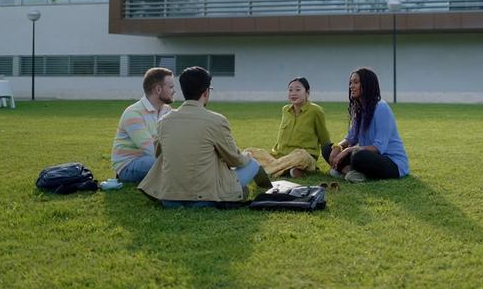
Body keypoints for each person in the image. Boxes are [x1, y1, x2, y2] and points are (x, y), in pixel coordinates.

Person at [139, 66, 270, 208]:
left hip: (170, 198)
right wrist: (247, 155)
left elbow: (159, 154)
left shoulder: (164, 120)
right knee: (252, 163)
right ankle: (268, 188)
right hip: (206, 197)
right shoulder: (216, 120)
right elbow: (235, 160)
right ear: (206, 92)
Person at [323, 67, 409, 183]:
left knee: (359, 156)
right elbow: (351, 138)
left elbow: (378, 148)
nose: (351, 86)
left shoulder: (381, 107)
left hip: (392, 162)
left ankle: (348, 171)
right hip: (365, 153)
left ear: (367, 84)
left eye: (356, 82)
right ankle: (351, 173)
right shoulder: (360, 109)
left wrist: (347, 150)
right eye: (351, 83)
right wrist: (337, 147)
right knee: (327, 148)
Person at [245, 77, 331, 178]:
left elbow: (325, 139)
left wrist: (333, 160)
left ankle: (266, 172)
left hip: (303, 157)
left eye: (298, 90)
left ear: (307, 92)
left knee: (300, 155)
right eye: (290, 90)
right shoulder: (285, 110)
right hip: (280, 156)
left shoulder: (316, 111)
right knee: (249, 152)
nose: (293, 93)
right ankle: (288, 170)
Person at [111, 67, 175, 183]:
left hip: (152, 159)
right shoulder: (133, 113)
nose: (174, 91)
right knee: (172, 164)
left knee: (176, 162)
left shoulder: (167, 110)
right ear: (158, 89)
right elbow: (151, 149)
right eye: (170, 87)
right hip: (129, 165)